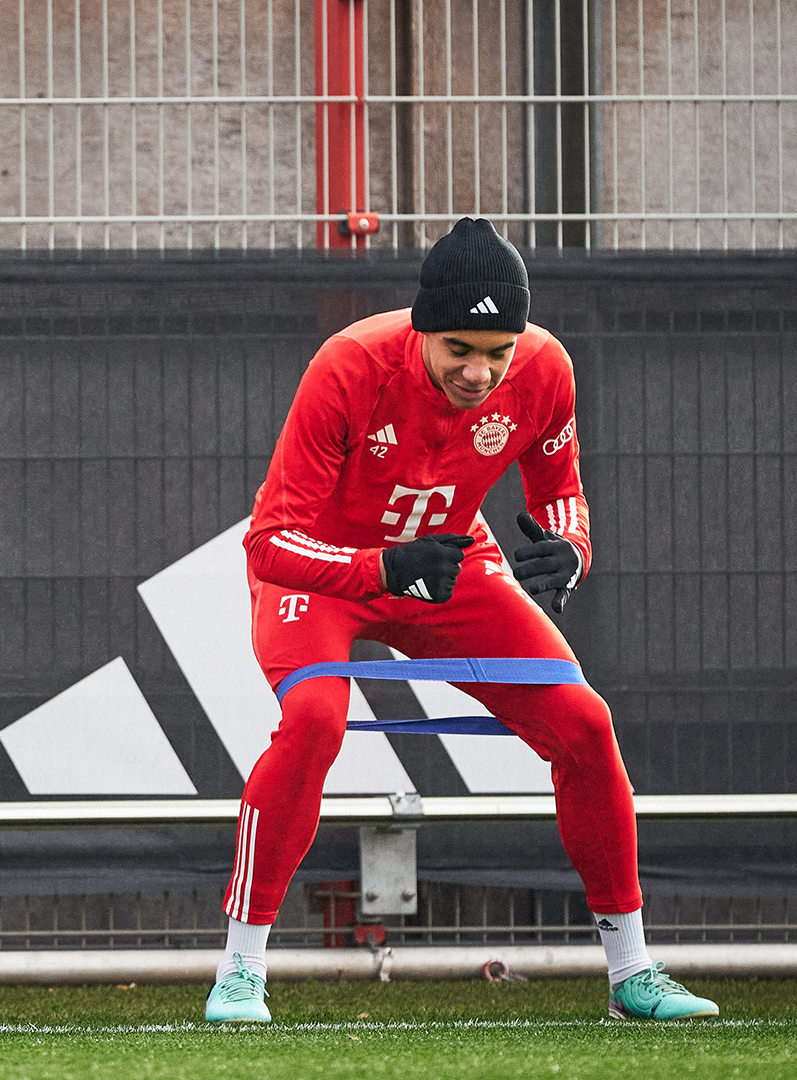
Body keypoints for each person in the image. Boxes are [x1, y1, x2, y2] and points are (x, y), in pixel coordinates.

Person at [203, 218, 718, 1024]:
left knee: (585, 722)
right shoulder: (349, 366)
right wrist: (381, 567)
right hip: (330, 568)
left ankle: (633, 973)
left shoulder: (546, 367)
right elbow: (269, 544)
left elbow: (559, 493)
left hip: (449, 564)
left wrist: (573, 550)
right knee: (312, 720)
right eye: (460, 349)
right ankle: (240, 971)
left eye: (498, 351)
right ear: (421, 331)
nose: (481, 372)